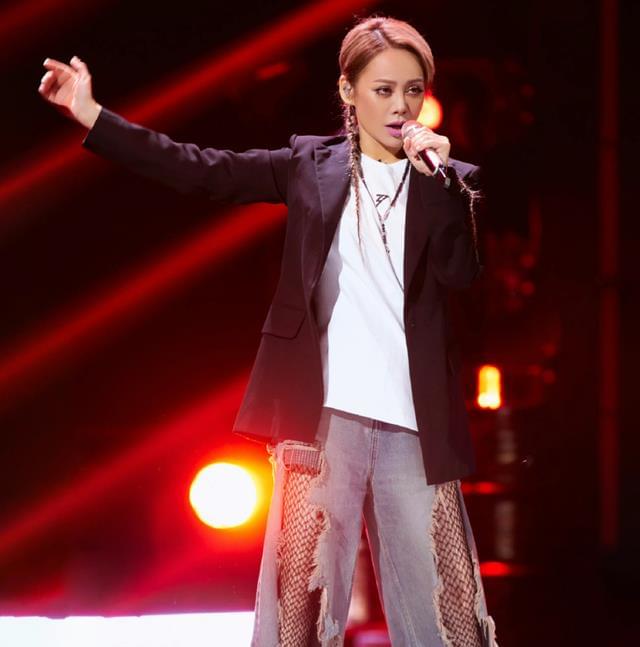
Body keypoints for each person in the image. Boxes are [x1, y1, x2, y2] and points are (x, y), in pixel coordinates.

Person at [39, 13, 498, 647]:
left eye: (413, 90)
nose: (401, 106)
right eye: (383, 89)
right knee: (297, 618)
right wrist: (92, 115)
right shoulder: (311, 165)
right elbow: (201, 169)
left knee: (446, 622)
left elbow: (460, 273)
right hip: (321, 420)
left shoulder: (450, 181)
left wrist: (441, 187)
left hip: (415, 426)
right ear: (348, 91)